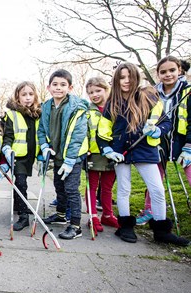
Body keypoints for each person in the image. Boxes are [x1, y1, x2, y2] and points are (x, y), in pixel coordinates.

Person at [97, 62, 189, 246]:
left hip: (145, 150)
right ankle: (125, 226)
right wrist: (107, 149)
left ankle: (161, 231)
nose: (126, 81)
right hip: (121, 152)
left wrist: (156, 130)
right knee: (124, 189)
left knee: (156, 189)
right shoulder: (112, 103)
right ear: (116, 80)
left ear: (136, 77)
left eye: (129, 77)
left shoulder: (149, 97)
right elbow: (102, 131)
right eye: (122, 77)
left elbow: (166, 123)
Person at [137, 56, 191, 225]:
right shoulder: (152, 92)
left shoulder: (187, 91)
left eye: (172, 70)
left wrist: (189, 146)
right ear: (158, 74)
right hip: (158, 141)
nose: (168, 74)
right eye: (163, 72)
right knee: (155, 179)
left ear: (179, 70)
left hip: (182, 141)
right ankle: (150, 209)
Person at [38, 70, 89, 240]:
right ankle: (61, 215)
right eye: (55, 84)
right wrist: (44, 145)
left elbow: (78, 136)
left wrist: (70, 159)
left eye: (63, 85)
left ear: (70, 87)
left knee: (71, 189)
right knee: (59, 186)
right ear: (49, 87)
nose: (58, 88)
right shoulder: (46, 106)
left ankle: (75, 225)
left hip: (72, 157)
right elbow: (41, 130)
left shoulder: (77, 108)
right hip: (57, 155)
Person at [2, 81, 41, 231]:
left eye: (31, 94)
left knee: (21, 183)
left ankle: (19, 204)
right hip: (17, 155)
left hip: (31, 156)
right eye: (24, 94)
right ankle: (23, 216)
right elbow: (8, 135)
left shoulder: (38, 114)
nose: (28, 98)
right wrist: (6, 148)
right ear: (18, 97)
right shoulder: (12, 114)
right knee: (20, 183)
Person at [85, 77, 118, 232]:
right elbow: (83, 131)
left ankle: (107, 214)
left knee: (107, 186)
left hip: (112, 154)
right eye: (91, 92)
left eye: (98, 90)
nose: (95, 95)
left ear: (106, 90)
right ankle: (92, 216)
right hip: (93, 153)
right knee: (91, 186)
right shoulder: (87, 111)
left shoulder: (115, 108)